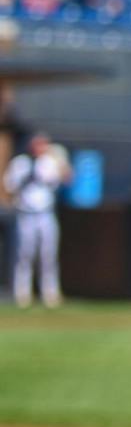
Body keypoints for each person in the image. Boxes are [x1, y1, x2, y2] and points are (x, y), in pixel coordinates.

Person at [7, 132, 72, 308]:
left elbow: (67, 179)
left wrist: (60, 159)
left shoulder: (50, 163)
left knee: (48, 255)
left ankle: (50, 294)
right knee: (24, 254)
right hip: (26, 213)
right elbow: (9, 185)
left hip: (45, 214)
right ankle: (22, 295)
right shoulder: (20, 163)